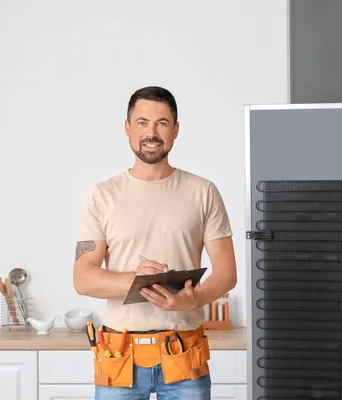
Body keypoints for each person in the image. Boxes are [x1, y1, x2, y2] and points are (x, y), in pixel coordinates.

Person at [73, 86, 237, 400]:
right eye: (142, 122)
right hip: (119, 358)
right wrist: (134, 279)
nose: (152, 132)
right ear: (127, 128)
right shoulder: (102, 196)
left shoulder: (202, 192)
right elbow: (83, 278)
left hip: (184, 355)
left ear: (176, 130)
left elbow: (227, 274)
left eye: (162, 123)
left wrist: (192, 300)